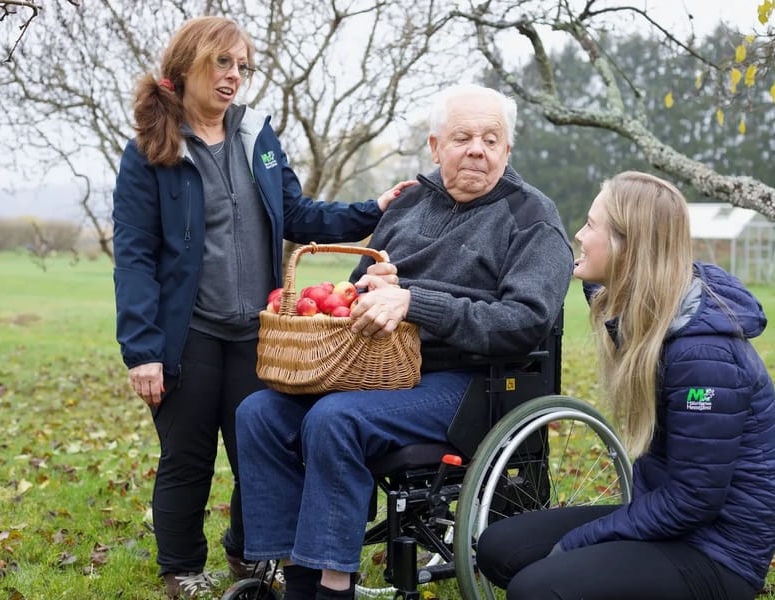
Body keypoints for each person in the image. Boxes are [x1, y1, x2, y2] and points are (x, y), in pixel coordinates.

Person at [111, 16, 412, 599]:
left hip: (260, 333)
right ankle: (180, 569)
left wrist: (371, 208)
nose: (234, 78)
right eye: (223, 63)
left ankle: (248, 558)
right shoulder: (149, 153)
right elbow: (135, 258)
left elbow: (297, 215)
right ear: (187, 65)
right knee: (188, 456)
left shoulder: (258, 139)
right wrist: (143, 351)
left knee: (258, 447)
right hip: (187, 335)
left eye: (243, 67)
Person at [235, 83, 574, 600]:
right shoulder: (408, 205)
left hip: (472, 383)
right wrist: (365, 292)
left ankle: (330, 586)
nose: (477, 149)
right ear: (436, 147)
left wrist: (413, 302)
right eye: (463, 137)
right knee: (259, 411)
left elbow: (524, 321)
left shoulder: (533, 218)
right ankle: (288, 571)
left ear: (508, 149)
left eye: (491, 138)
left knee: (335, 419)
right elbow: (358, 287)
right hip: (379, 371)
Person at [476, 171, 775, 600]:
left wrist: (578, 543)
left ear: (628, 246)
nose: (579, 234)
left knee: (537, 589)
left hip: (718, 552)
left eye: (591, 226)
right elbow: (597, 284)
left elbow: (693, 500)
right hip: (669, 520)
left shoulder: (703, 358)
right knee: (499, 548)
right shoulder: (645, 306)